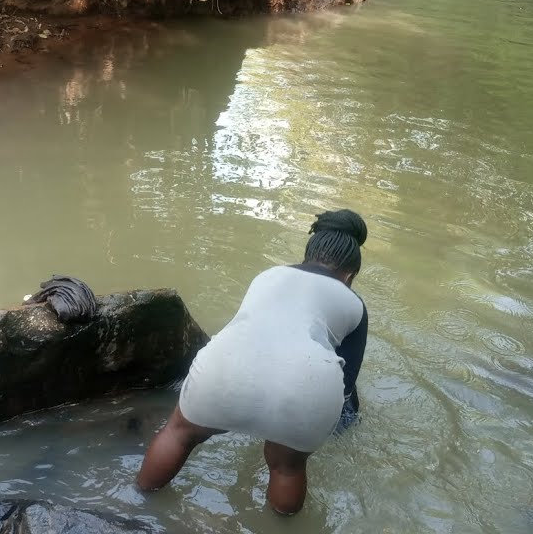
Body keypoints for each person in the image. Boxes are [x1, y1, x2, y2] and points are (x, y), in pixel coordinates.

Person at [135, 210, 370, 514]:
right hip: (305, 387)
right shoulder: (354, 304)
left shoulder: (268, 276)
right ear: (349, 276)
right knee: (288, 467)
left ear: (308, 254)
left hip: (224, 368)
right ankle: (281, 524)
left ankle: (137, 500)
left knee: (178, 433)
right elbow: (346, 385)